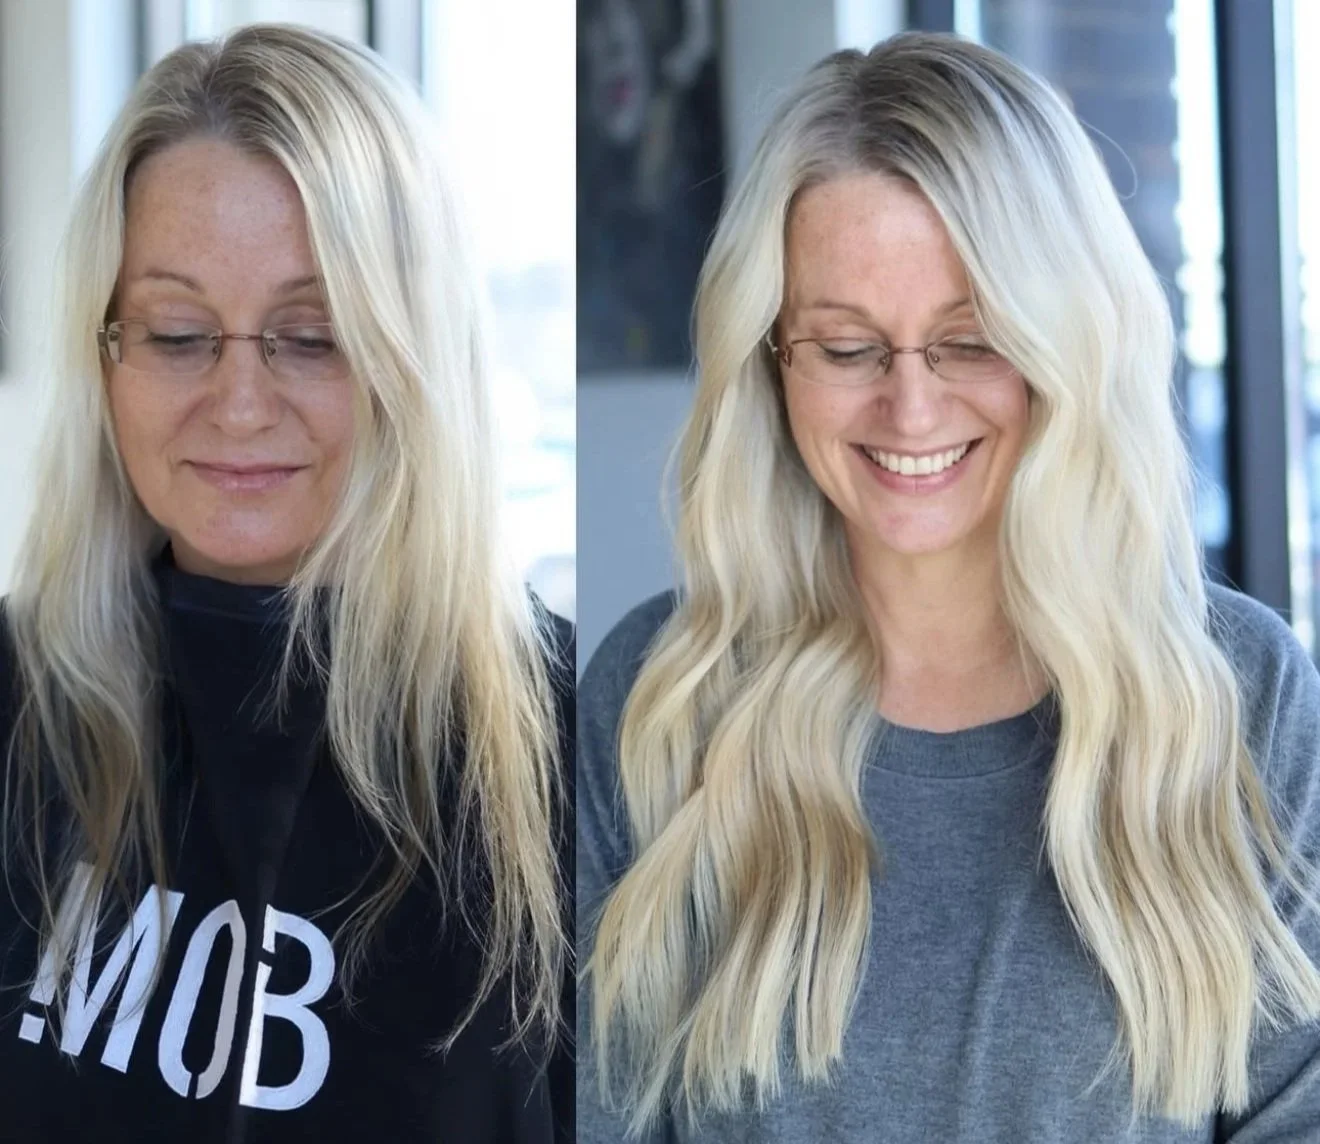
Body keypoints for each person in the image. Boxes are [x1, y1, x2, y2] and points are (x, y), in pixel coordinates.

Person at [577, 31, 1320, 1143]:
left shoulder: (1242, 696)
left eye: (970, 341)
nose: (910, 411)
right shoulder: (657, 697)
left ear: (1068, 347)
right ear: (771, 366)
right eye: (843, 347)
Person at [0, 24, 573, 1144]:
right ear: (104, 353)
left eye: (311, 337)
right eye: (177, 332)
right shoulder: (18, 703)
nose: (243, 400)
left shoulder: (572, 749)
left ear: (411, 358)